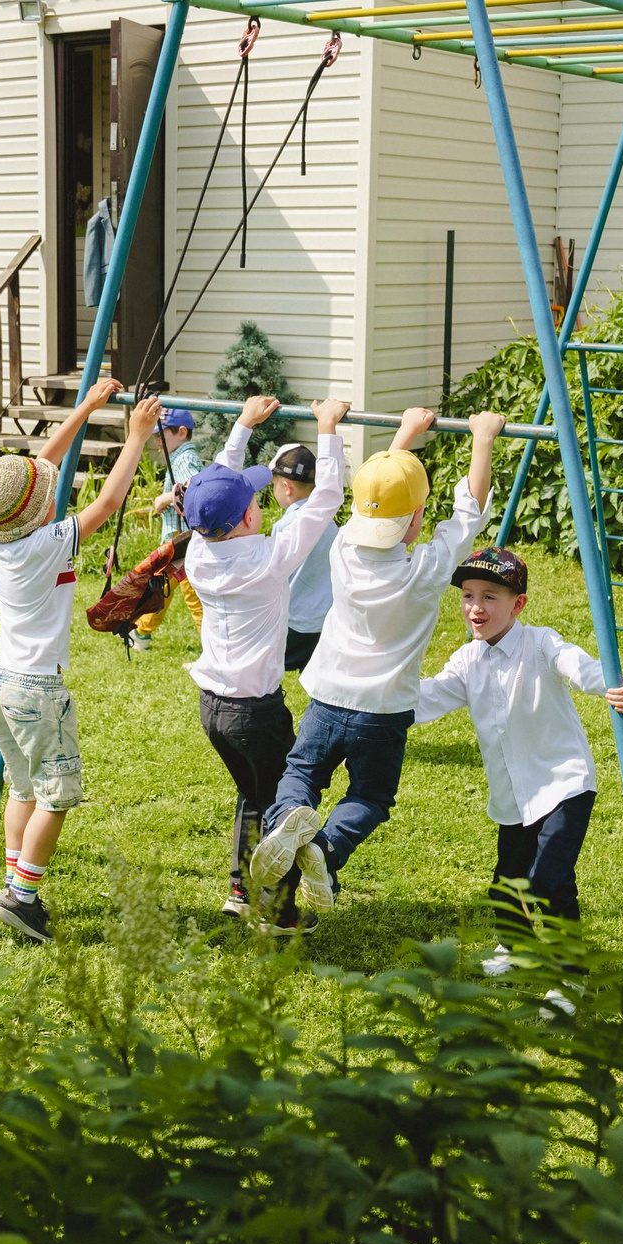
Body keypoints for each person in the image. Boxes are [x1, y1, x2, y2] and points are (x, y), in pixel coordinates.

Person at [249, 407, 505, 917]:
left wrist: (405, 435)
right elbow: (469, 511)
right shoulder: (427, 570)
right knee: (370, 795)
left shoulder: (342, 545)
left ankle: (288, 818)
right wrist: (482, 438)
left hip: (327, 694)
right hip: (383, 711)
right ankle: (326, 849)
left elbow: (380, 491)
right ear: (415, 519)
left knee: (301, 771)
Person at [0, 378, 163, 944]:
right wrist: (135, 436)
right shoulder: (49, 542)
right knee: (57, 796)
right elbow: (107, 503)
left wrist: (84, 407)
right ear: (39, 509)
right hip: (38, 691)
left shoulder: (1, 533)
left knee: (23, 791)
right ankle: (22, 897)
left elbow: (38, 465)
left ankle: (14, 881)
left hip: (3, 685)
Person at [415, 546, 623, 969]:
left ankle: (568, 974)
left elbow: (573, 662)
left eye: (490, 597)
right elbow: (426, 699)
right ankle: (515, 946)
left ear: (519, 604)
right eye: (467, 595)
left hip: (562, 783)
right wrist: (378, 698)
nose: (475, 608)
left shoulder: (540, 643)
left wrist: (609, 684)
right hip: (512, 796)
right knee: (509, 883)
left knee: (549, 881)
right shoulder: (467, 661)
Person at [179, 394, 350, 930]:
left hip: (212, 708)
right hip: (256, 711)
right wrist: (326, 427)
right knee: (282, 810)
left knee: (254, 795)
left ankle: (240, 889)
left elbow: (214, 490)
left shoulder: (199, 550)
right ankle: (275, 910)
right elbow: (327, 497)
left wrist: (242, 427)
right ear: (252, 513)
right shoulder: (270, 557)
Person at [129, 407, 209, 652]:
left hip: (183, 540)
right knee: (162, 586)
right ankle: (142, 632)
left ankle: (212, 650)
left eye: (161, 434)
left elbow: (195, 486)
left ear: (182, 432)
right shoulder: (179, 456)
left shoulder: (185, 458)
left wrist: (164, 499)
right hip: (178, 540)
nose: (156, 440)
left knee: (193, 596)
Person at [268, 440, 336, 674]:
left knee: (267, 672)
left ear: (286, 487)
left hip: (292, 623)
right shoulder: (329, 521)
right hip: (324, 622)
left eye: (273, 485)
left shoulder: (285, 526)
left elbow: (274, 576)